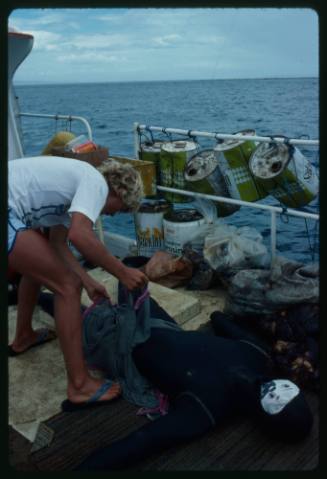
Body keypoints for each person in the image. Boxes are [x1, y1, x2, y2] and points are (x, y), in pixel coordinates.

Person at [74, 288, 313, 471]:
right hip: (161, 326)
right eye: (287, 391)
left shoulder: (206, 409)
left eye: (277, 401)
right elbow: (218, 318)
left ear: (264, 419)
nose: (275, 391)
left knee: (68, 310)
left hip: (123, 347)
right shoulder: (258, 354)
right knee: (130, 277)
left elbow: (141, 442)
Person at [8, 155, 148, 408]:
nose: (114, 214)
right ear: (118, 191)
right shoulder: (96, 182)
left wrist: (88, 280)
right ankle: (80, 385)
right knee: (67, 287)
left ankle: (23, 337)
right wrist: (122, 272)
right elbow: (81, 235)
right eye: (122, 208)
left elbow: (58, 245)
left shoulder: (73, 198)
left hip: (12, 211)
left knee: (39, 270)